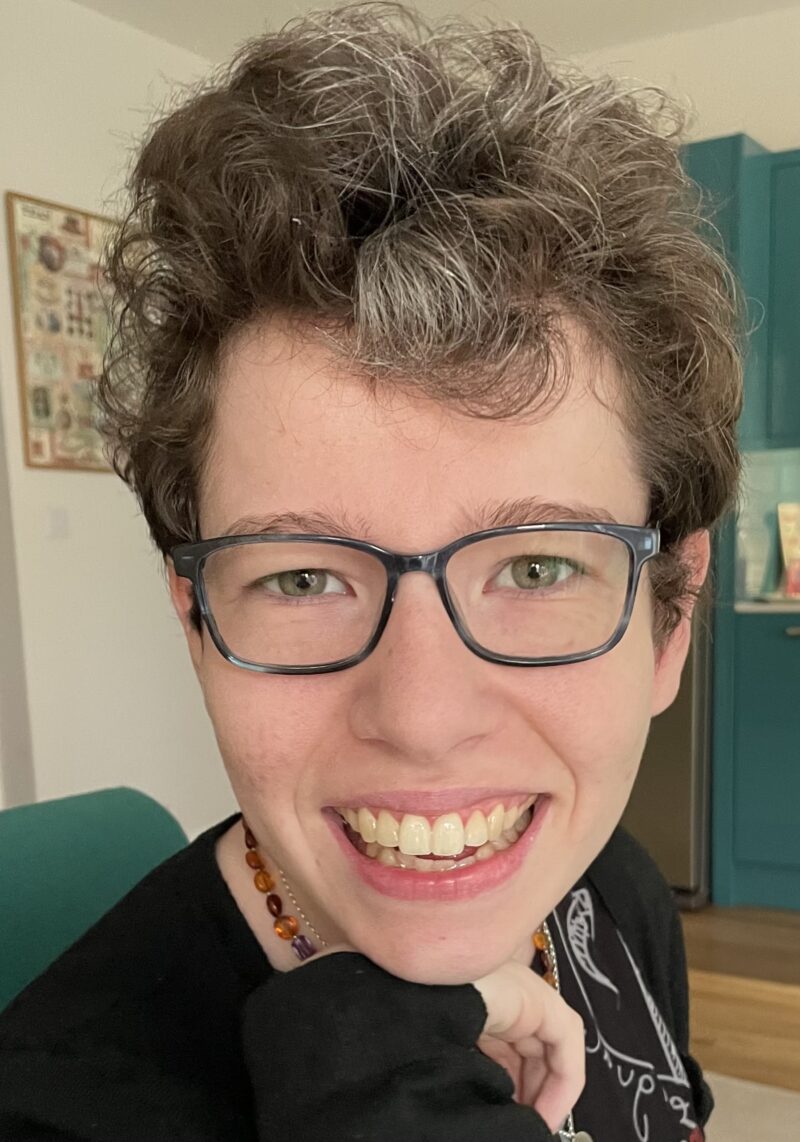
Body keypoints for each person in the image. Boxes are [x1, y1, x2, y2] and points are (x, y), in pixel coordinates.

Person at [0, 4, 742, 1140]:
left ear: (669, 619)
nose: (423, 717)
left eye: (537, 562)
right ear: (196, 621)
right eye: (302, 577)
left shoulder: (611, 887)